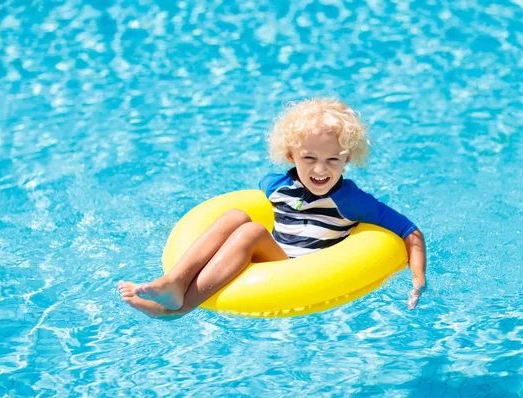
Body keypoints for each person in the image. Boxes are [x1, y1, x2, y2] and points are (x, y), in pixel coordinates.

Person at [118, 99, 427, 319]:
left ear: (347, 159)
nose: (321, 169)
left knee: (251, 230)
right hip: (274, 255)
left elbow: (409, 231)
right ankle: (175, 281)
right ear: (291, 155)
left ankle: (179, 309)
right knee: (236, 216)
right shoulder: (275, 184)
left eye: (332, 159)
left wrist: (418, 277)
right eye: (309, 158)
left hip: (303, 269)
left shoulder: (351, 200)